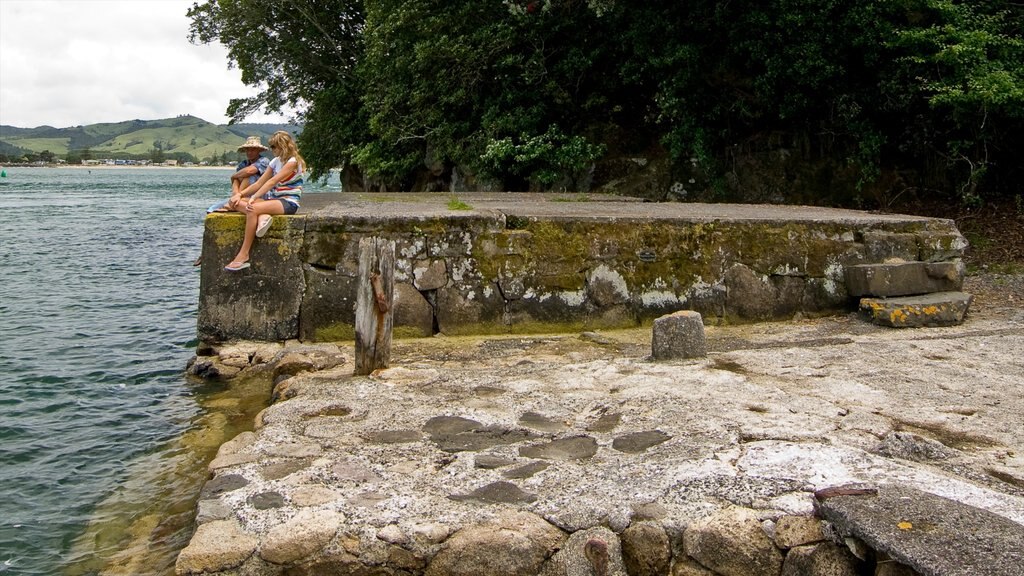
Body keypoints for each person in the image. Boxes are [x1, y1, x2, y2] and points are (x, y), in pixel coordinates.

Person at [224, 130, 305, 271]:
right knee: (233, 203)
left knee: (251, 209)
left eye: (274, 147)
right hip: (274, 199)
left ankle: (243, 254)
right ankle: (263, 216)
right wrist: (240, 195)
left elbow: (272, 181)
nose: (272, 150)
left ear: (282, 146)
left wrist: (254, 198)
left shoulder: (292, 162)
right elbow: (258, 183)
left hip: (288, 202)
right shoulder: (275, 162)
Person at [207, 136, 271, 213]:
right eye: (247, 150)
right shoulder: (243, 164)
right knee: (212, 209)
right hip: (243, 195)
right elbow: (236, 179)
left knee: (248, 176)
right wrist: (236, 194)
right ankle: (236, 199)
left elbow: (250, 171)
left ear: (258, 151)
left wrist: (234, 176)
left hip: (260, 195)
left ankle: (235, 201)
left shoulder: (264, 161)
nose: (249, 152)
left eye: (253, 150)